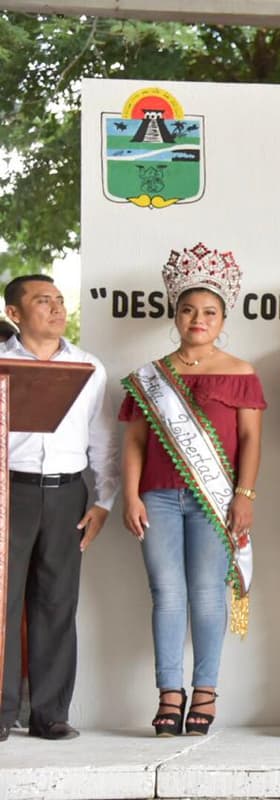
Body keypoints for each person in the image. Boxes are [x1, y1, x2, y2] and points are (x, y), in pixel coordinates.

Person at [119, 243, 265, 736]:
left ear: (223, 318)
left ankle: (205, 691)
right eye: (188, 310)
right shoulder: (151, 376)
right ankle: (169, 692)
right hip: (157, 497)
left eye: (208, 312)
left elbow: (251, 441)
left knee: (206, 594)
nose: (197, 319)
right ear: (175, 315)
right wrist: (131, 495)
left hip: (215, 500)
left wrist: (244, 496)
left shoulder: (241, 372)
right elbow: (135, 441)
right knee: (166, 594)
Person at [1, 274, 119, 742]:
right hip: (8, 490)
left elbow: (103, 439)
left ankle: (49, 714)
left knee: (56, 602)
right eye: (41, 301)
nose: (55, 308)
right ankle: (2, 710)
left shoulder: (88, 366)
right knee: (3, 602)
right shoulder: (2, 362)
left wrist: (103, 501)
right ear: (14, 313)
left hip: (68, 493)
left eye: (58, 299)